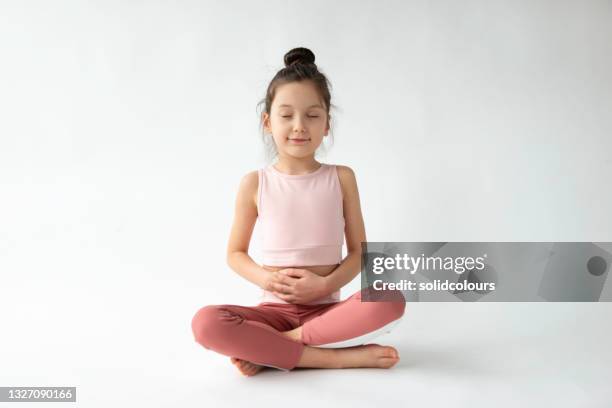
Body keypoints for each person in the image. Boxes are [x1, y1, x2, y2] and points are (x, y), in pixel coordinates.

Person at [191, 47, 406, 376]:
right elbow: (235, 253)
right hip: (273, 311)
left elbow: (360, 255)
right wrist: (267, 279)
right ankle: (335, 358)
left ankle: (274, 347)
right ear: (268, 122)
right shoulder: (255, 183)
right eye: (286, 115)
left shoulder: (342, 178)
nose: (299, 126)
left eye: (312, 115)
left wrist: (324, 286)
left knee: (389, 297)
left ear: (327, 124)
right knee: (205, 323)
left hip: (326, 312)